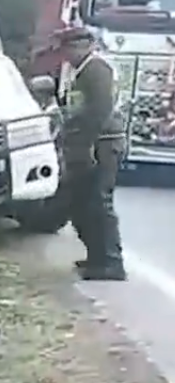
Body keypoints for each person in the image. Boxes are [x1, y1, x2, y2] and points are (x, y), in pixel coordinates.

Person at [57, 27, 127, 280]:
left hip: (102, 143)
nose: (66, 55)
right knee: (85, 203)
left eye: (68, 48)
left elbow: (99, 110)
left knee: (99, 203)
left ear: (84, 46)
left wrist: (87, 144)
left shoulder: (96, 69)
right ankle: (97, 258)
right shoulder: (82, 71)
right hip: (91, 143)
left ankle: (111, 262)